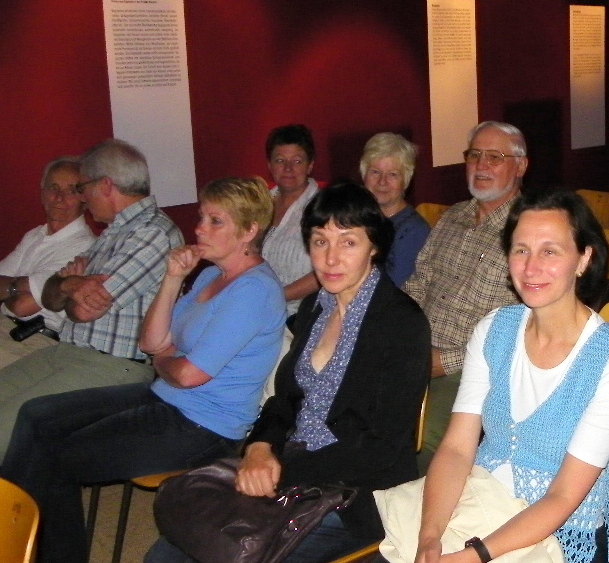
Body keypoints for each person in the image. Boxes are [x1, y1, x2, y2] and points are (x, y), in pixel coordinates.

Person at [0, 176, 287, 563]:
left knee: (55, 459)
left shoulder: (255, 290)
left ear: (249, 230)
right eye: (202, 217)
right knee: (36, 414)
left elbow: (188, 375)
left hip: (202, 425)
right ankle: (13, 532)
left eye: (215, 221)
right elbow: (150, 343)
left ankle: (29, 547)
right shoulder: (210, 275)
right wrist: (172, 278)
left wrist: (165, 360)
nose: (199, 229)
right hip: (164, 397)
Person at [145, 182, 431, 563]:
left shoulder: (402, 324)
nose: (330, 259)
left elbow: (379, 446)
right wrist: (259, 448)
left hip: (355, 493)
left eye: (348, 243)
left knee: (227, 552)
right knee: (170, 551)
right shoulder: (315, 307)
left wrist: (279, 469)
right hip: (288, 466)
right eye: (320, 241)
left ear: (374, 247)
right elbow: (285, 399)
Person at [404, 189, 609, 563]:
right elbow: (457, 448)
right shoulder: (494, 331)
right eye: (521, 250)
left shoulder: (604, 359)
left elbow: (563, 495)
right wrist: (430, 537)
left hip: (558, 532)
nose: (531, 267)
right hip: (482, 504)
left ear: (584, 258)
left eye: (550, 251)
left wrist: (472, 555)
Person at [0, 139, 184, 462]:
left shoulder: (152, 233)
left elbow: (81, 311)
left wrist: (68, 289)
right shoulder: (113, 231)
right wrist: (71, 284)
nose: (83, 197)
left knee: (9, 426)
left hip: (112, 365)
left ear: (106, 185)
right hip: (67, 351)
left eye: (82, 187)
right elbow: (52, 296)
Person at [403, 121, 527, 469]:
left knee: (423, 447)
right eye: (474, 155)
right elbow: (417, 284)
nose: (481, 165)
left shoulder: (527, 230)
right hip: (414, 352)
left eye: (495, 157)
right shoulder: (451, 217)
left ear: (520, 166)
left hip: (473, 369)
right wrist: (397, 336)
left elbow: (521, 327)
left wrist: (446, 362)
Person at [260, 124, 321, 401]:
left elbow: (324, 271)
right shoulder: (261, 203)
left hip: (297, 315)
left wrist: (278, 295)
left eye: (297, 161)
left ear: (310, 165)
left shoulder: (320, 207)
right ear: (269, 165)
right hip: (257, 307)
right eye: (280, 160)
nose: (288, 168)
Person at [0, 156, 95, 334]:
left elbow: (22, 306)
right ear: (42, 193)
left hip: (35, 338)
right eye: (53, 188)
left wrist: (7, 290)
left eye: (71, 191)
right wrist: (18, 288)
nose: (59, 198)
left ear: (84, 199)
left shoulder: (85, 246)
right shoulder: (35, 235)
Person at [360, 132, 430, 287]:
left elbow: (393, 289)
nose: (382, 182)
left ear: (405, 181)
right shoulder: (359, 217)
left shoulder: (413, 231)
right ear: (364, 175)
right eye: (375, 172)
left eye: (392, 174)